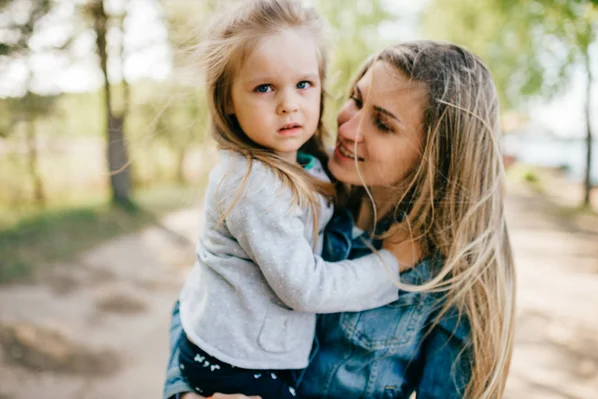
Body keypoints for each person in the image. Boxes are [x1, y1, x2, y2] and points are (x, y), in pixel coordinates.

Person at [165, 31, 516, 399]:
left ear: (435, 158)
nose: (346, 129)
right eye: (356, 99)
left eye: (382, 124)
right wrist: (187, 394)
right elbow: (199, 301)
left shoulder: (449, 279)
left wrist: (390, 263)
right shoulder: (295, 187)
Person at [173, 1, 421, 398]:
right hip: (235, 366)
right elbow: (306, 287)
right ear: (227, 102)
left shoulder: (305, 164)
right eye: (264, 87)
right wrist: (391, 264)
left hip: (247, 356)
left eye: (303, 84)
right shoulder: (252, 185)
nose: (288, 103)